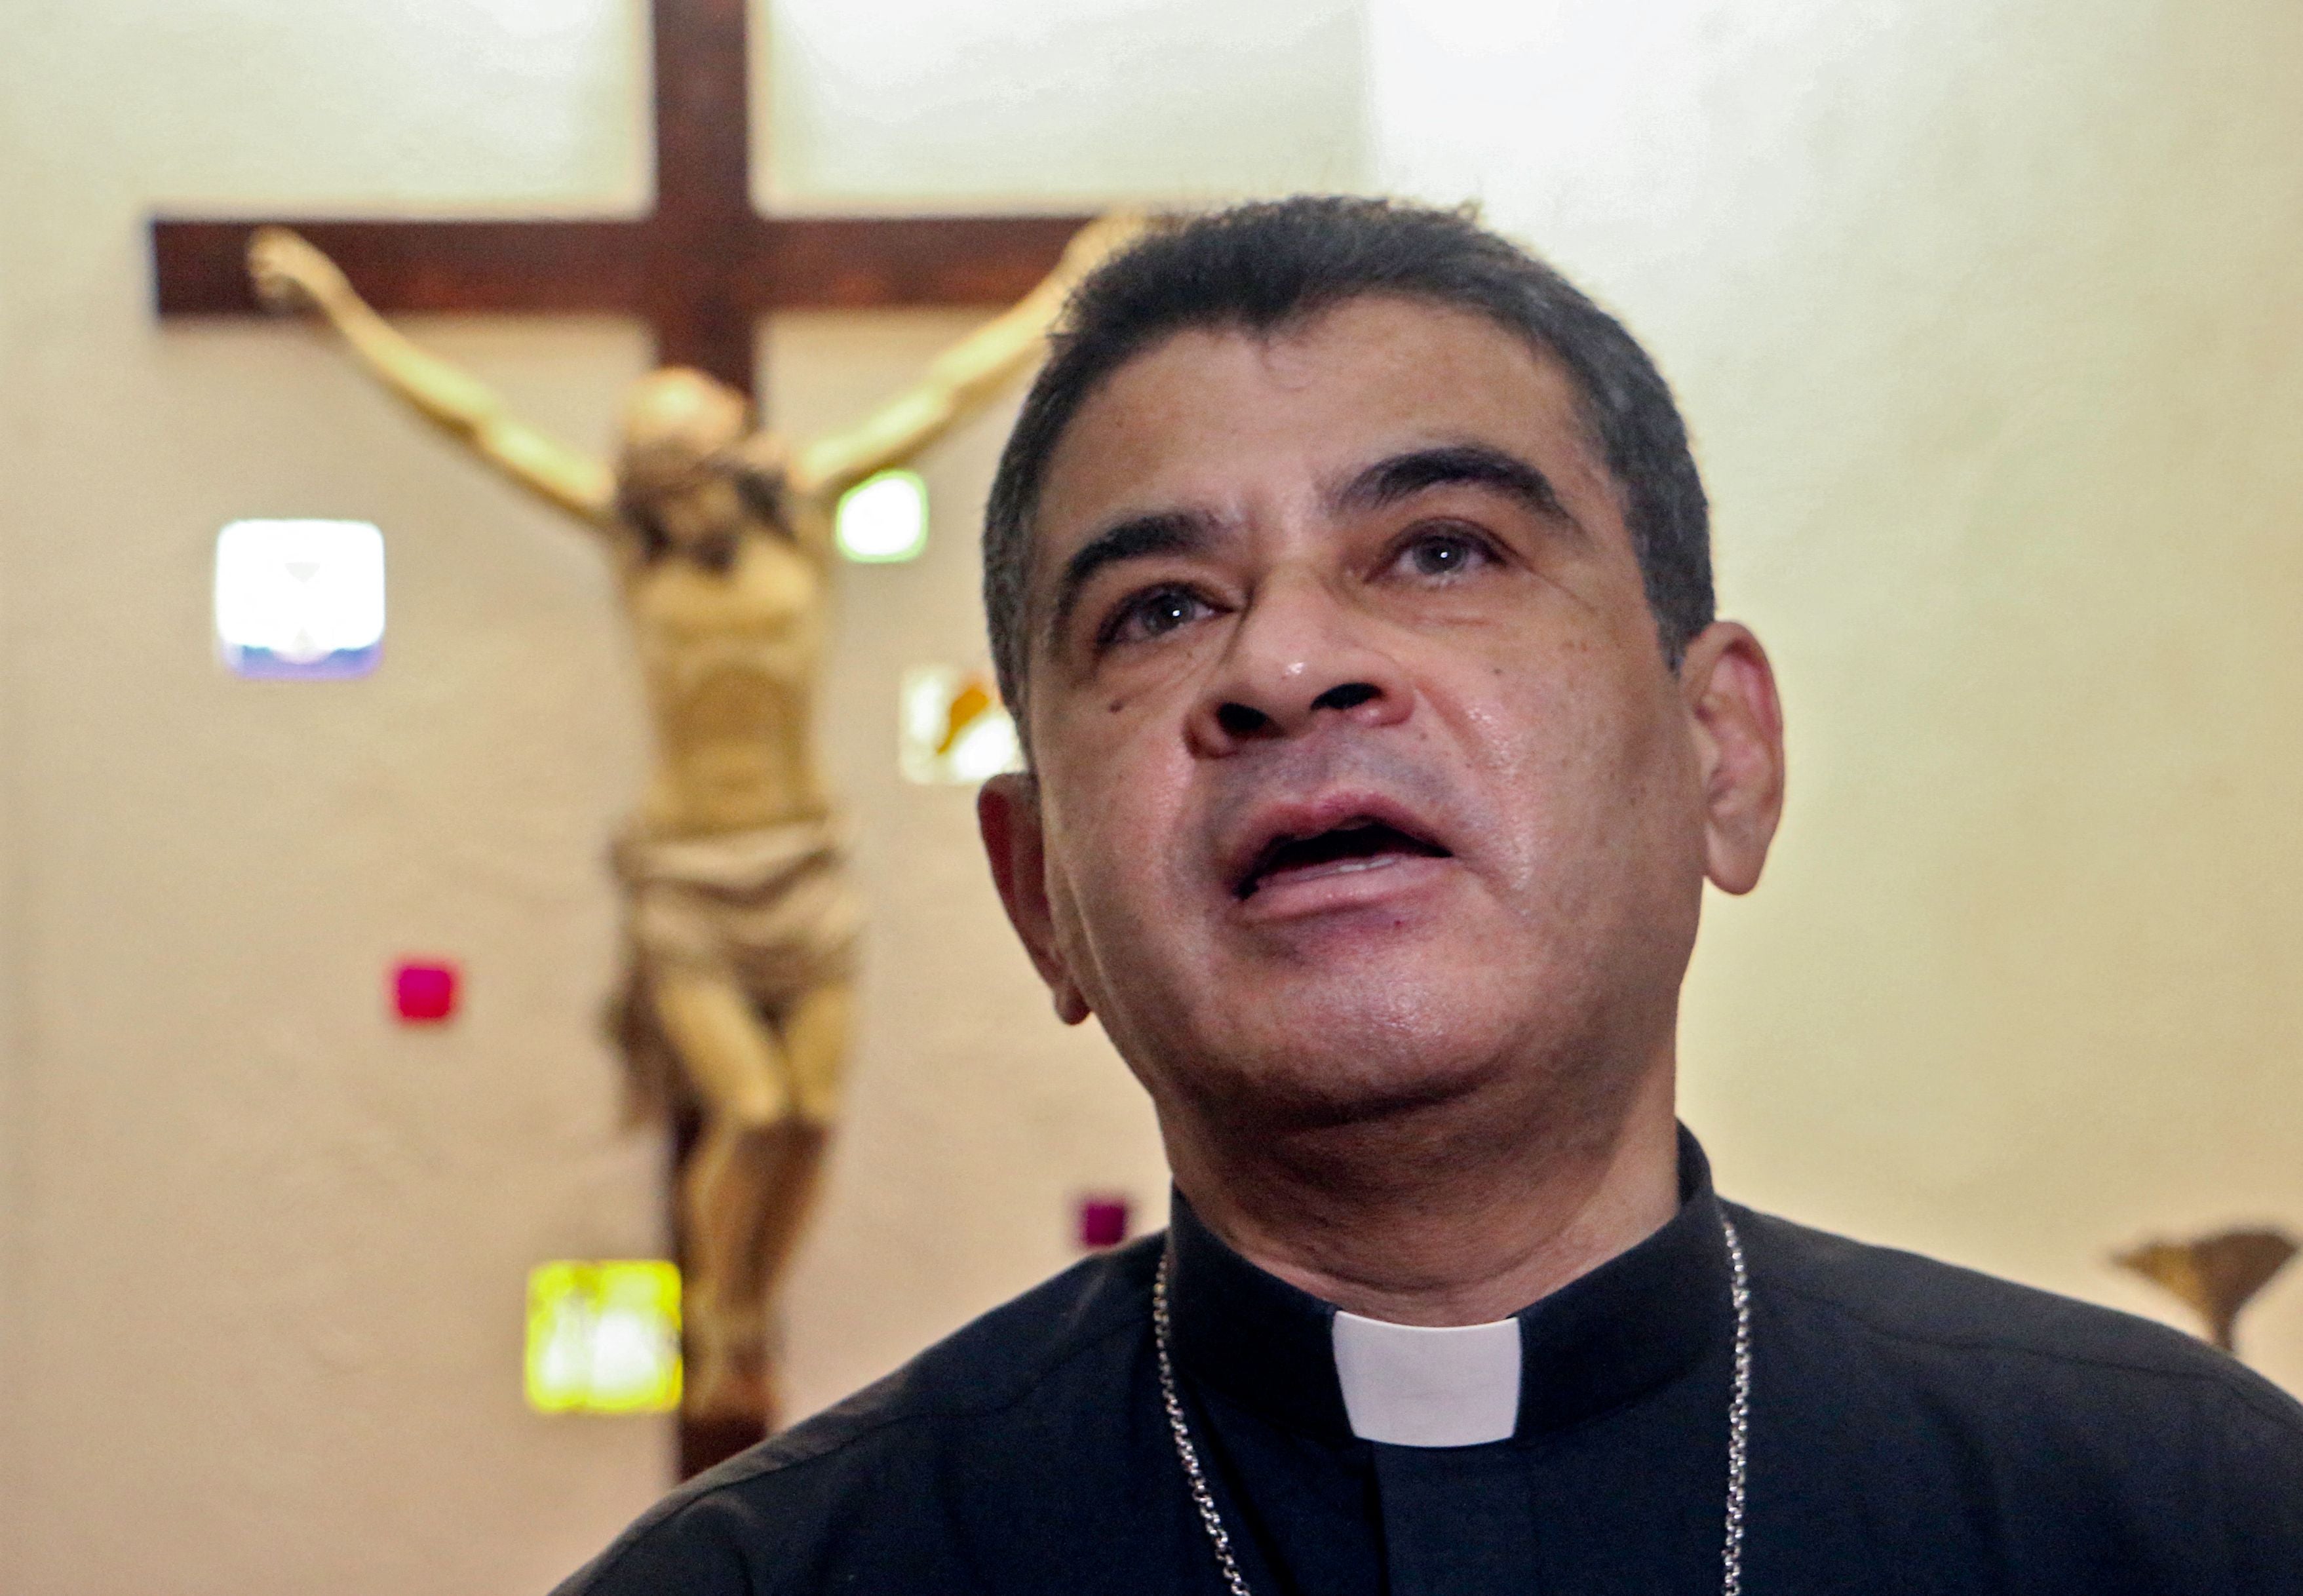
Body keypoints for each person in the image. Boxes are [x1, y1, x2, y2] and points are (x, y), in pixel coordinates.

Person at [553, 197, 2303, 1593]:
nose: (1286, 661)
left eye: (1443, 547)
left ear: (1722, 754)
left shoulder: (2195, 1514)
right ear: (1041, 901)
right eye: (1160, 606)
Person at [248, 218, 1135, 1436]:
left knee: (811, 1113)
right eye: (656, 470)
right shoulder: (630, 546)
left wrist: (1064, 287)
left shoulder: (806, 514)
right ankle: (719, 1311)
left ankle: (750, 1307)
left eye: (690, 460)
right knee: (756, 1110)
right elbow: (477, 429)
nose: (677, 486)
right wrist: (342, 315)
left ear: (728, 452)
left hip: (806, 866)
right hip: (686, 881)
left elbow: (945, 393)